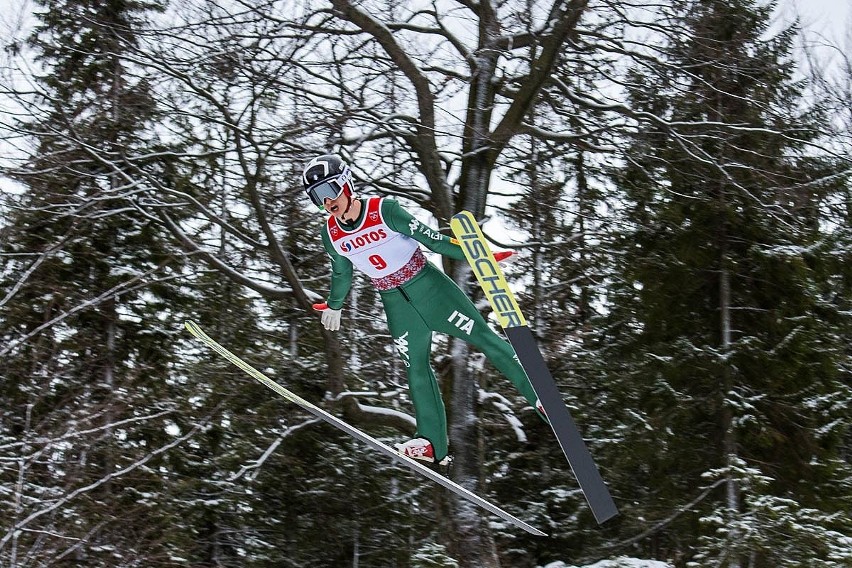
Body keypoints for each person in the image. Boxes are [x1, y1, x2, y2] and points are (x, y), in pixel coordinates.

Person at [303, 154, 543, 465]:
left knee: (483, 337)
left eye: (330, 190)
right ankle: (432, 443)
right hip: (394, 302)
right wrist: (334, 305)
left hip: (429, 288)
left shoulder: (384, 210)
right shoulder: (331, 234)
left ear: (346, 183)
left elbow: (434, 241)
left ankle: (538, 395)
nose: (327, 202)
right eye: (317, 197)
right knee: (415, 367)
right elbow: (341, 272)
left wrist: (482, 255)